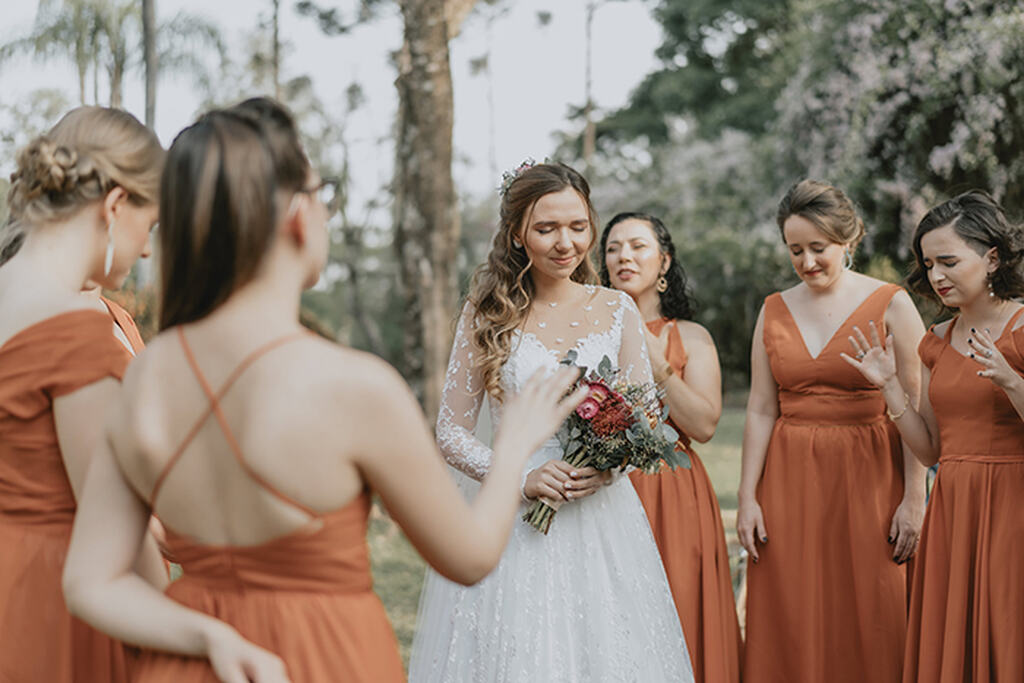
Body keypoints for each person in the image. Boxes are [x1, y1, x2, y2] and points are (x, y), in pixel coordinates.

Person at [60, 99, 586, 683]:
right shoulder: (354, 386)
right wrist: (514, 444)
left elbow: (90, 583)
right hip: (319, 660)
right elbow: (468, 556)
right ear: (295, 213)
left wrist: (207, 632)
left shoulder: (143, 374)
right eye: (322, 192)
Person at [408, 162, 694, 683]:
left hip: (601, 518)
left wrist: (609, 469)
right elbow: (449, 432)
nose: (566, 243)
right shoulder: (487, 312)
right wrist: (519, 477)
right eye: (547, 229)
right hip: (513, 521)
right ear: (517, 233)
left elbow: (645, 415)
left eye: (578, 227)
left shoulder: (617, 309)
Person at [0, 106, 168, 682]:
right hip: (55, 609)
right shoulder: (75, 335)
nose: (146, 252)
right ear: (116, 206)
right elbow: (119, 534)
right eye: (149, 228)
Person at [737, 179, 928, 682]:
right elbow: (760, 408)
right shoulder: (772, 308)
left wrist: (914, 497)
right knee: (793, 608)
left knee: (874, 608)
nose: (807, 262)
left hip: (870, 474)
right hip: (790, 479)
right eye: (795, 250)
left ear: (848, 240)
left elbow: (917, 403)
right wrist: (748, 497)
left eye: (818, 248)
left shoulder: (893, 304)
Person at [843, 190, 1024, 683]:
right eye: (929, 264)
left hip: (1013, 504)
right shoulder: (937, 340)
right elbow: (931, 448)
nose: (936, 276)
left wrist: (1012, 380)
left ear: (992, 257)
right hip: (954, 505)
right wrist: (889, 388)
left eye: (949, 261)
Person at [601, 211, 741, 683]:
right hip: (602, 487)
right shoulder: (588, 332)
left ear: (664, 262)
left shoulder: (692, 337)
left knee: (676, 610)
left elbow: (704, 424)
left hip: (671, 493)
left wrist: (659, 366)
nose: (624, 256)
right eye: (614, 247)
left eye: (637, 246)